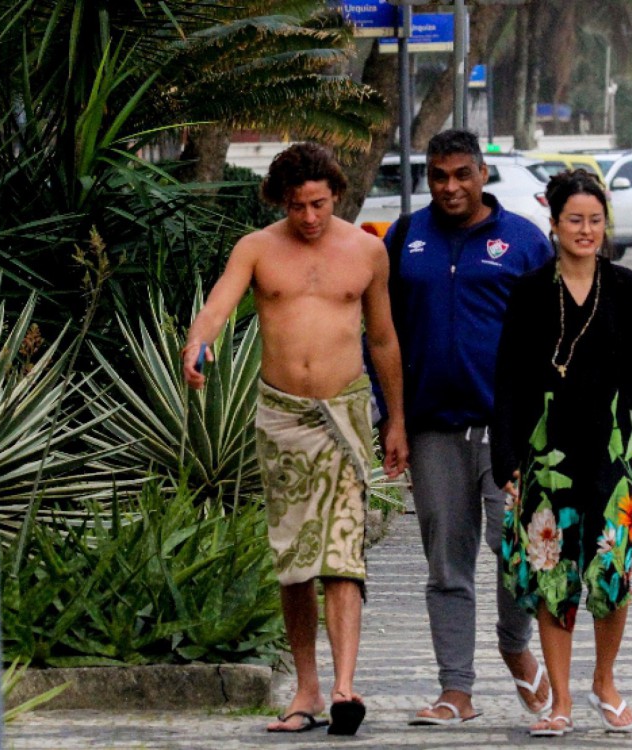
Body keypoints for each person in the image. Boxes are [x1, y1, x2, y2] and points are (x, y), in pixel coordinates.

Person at [181, 142, 408, 737]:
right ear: (281, 201)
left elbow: (383, 340)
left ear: (336, 194)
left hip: (347, 414)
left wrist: (397, 420)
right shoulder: (256, 248)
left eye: (319, 204)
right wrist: (196, 343)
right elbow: (219, 306)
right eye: (297, 206)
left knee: (341, 552)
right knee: (295, 559)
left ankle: (344, 686)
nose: (309, 217)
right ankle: (305, 688)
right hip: (281, 417)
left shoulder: (367, 251)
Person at [385, 129, 555, 725]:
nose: (449, 186)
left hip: (510, 428)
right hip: (432, 427)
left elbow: (555, 334)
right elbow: (382, 336)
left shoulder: (526, 242)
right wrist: (393, 420)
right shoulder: (405, 238)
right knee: (446, 565)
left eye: (461, 174)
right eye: (438, 175)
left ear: (483, 174)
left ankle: (515, 641)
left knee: (516, 550)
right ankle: (456, 690)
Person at [492, 169, 632, 737]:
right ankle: (559, 700)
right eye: (574, 220)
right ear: (555, 223)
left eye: (594, 220)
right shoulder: (531, 289)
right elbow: (508, 376)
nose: (586, 230)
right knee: (552, 572)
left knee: (611, 572)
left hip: (614, 446)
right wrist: (505, 453)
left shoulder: (627, 285)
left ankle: (604, 680)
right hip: (547, 449)